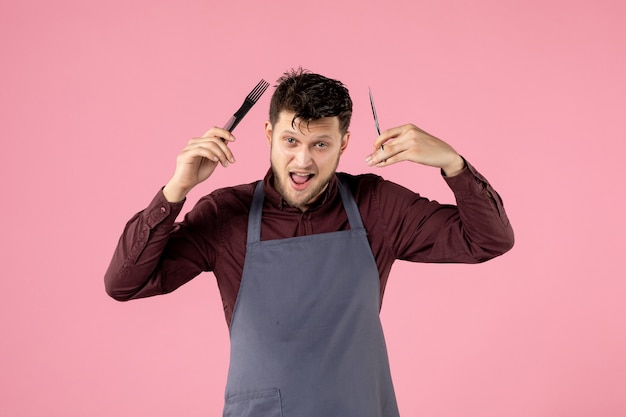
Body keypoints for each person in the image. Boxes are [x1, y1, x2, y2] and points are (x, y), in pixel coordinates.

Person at [105, 68, 514, 417]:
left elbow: (487, 240)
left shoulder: (377, 206)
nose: (303, 162)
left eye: (320, 144)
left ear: (344, 143)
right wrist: (176, 190)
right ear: (269, 134)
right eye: (291, 142)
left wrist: (452, 164)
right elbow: (125, 283)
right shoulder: (225, 214)